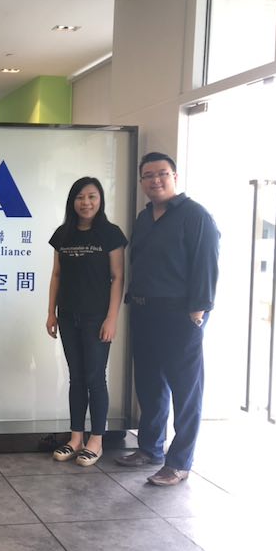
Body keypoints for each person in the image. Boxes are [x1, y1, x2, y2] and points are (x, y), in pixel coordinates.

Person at [116, 152, 219, 486]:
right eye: (148, 175)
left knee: (186, 390)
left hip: (180, 314)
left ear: (174, 176)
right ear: (142, 182)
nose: (155, 180)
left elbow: (207, 263)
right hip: (144, 311)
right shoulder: (145, 217)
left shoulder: (195, 215)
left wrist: (198, 310)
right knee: (149, 385)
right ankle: (150, 449)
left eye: (161, 173)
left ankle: (179, 462)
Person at [47, 177, 127, 467]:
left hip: (97, 318)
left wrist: (111, 318)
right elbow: (57, 274)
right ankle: (76, 438)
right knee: (76, 378)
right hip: (69, 316)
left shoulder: (110, 234)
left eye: (92, 196)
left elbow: (118, 277)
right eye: (80, 197)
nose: (86, 202)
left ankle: (97, 440)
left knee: (95, 378)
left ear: (100, 199)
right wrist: (51, 312)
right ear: (72, 201)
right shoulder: (63, 234)